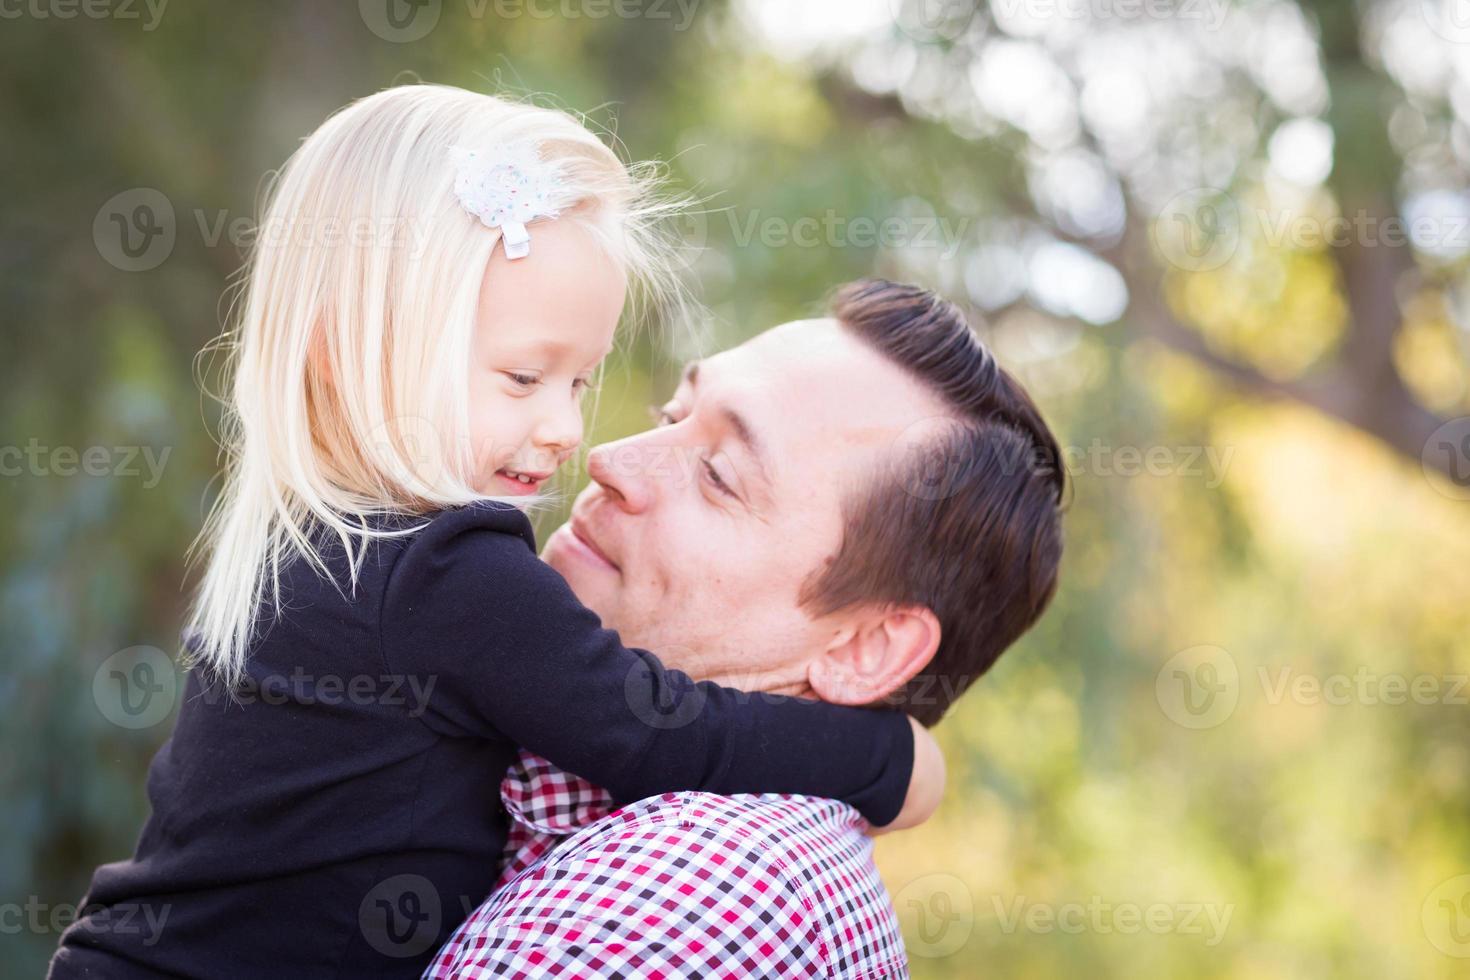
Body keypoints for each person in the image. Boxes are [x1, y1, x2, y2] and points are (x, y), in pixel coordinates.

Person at [50, 87, 941, 979]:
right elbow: (661, 731)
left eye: (580, 384)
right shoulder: (442, 569)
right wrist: (884, 756)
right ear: (348, 350)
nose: (565, 430)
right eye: (523, 377)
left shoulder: (321, 541)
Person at [428, 278, 1066, 978]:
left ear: (864, 647)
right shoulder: (527, 748)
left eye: (719, 476)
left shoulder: (686, 899)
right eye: (671, 411)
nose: (609, 459)